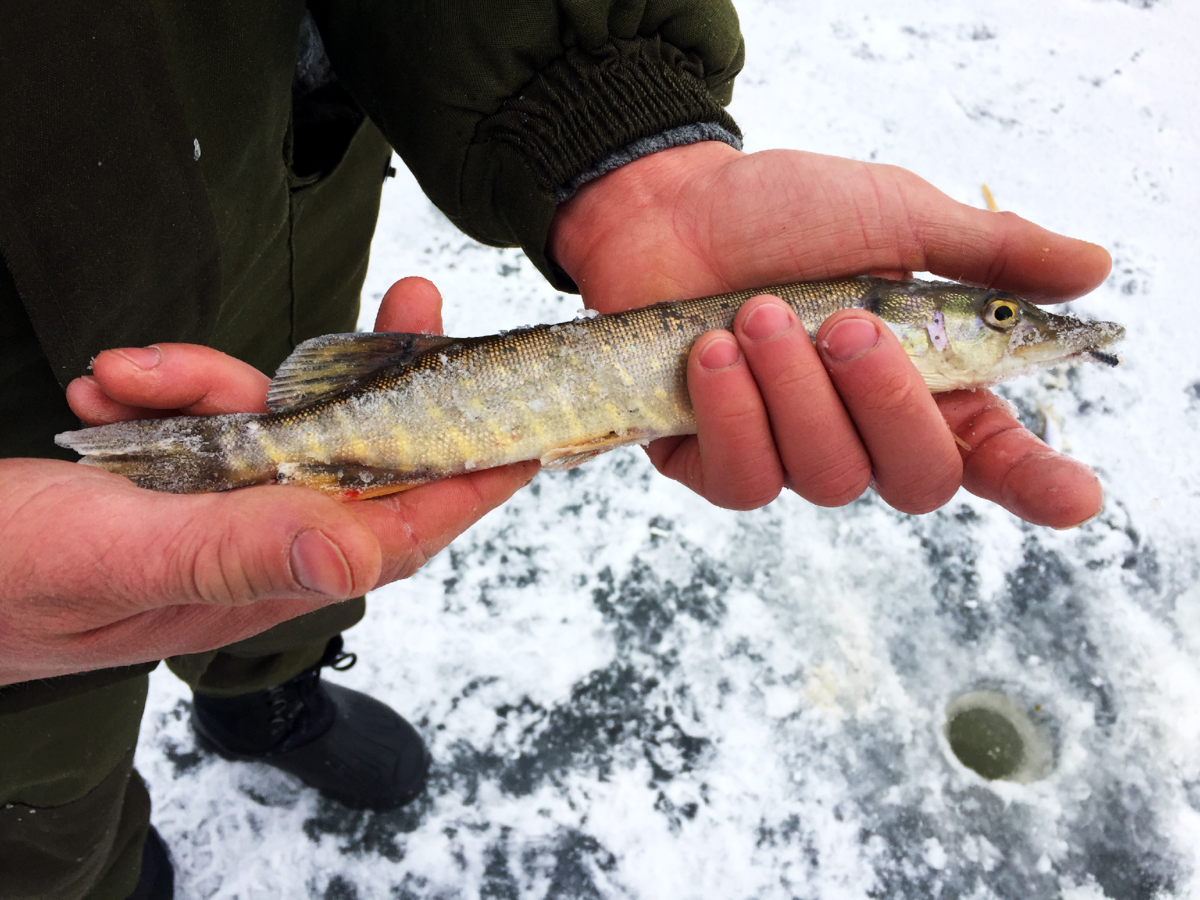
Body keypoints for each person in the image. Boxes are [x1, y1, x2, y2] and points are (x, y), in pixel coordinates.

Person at [0, 2, 1111, 898]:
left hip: (273, 173)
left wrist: (609, 126)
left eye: (999, 322)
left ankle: (263, 689)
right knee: (40, 785)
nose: (1014, 331)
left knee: (297, 559)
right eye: (1001, 322)